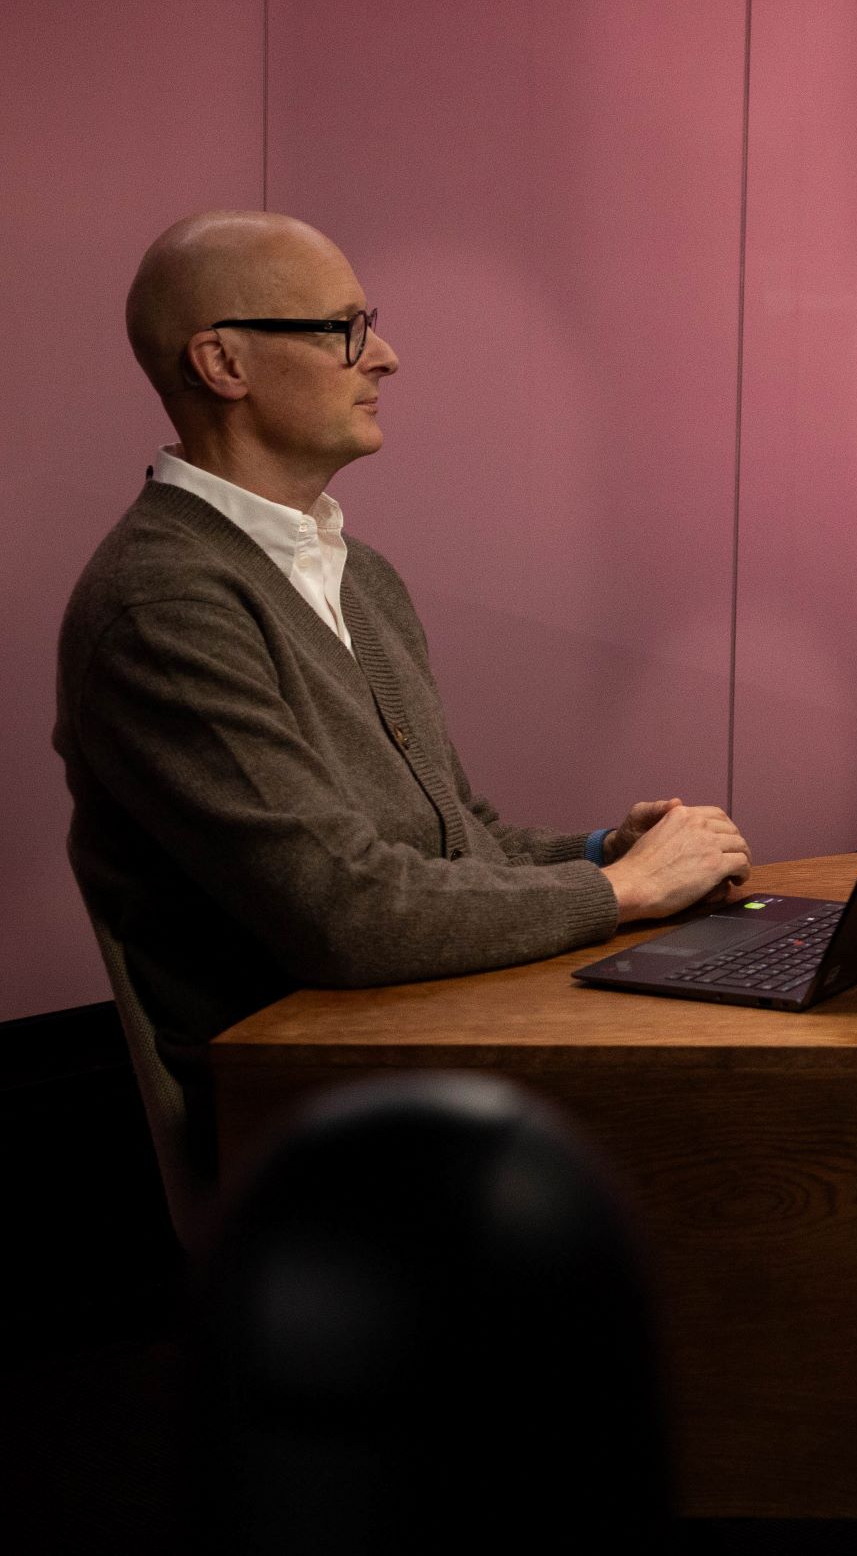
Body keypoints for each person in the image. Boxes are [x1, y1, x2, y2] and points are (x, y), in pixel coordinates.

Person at [56, 211, 753, 1174]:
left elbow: (454, 835)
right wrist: (622, 890)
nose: (384, 356)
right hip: (315, 1124)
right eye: (344, 328)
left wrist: (602, 849)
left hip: (434, 1048)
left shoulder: (358, 573)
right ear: (223, 364)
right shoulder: (163, 604)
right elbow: (345, 912)